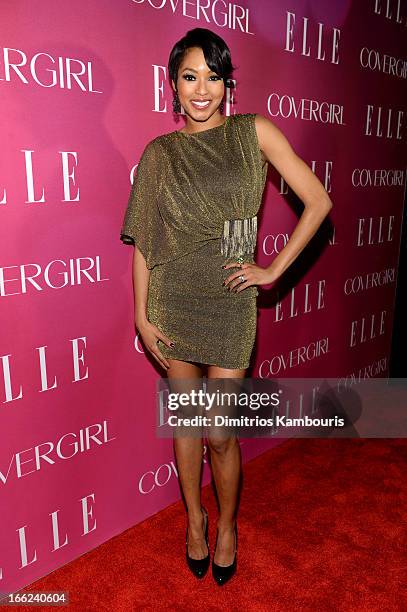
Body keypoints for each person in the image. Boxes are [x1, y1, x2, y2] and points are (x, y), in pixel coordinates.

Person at [120, 27, 333, 585]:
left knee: (220, 432)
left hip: (231, 302)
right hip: (172, 301)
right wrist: (143, 315)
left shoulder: (253, 133)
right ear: (173, 85)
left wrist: (271, 271)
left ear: (227, 84)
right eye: (190, 77)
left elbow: (319, 201)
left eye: (213, 77)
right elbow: (145, 242)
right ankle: (194, 519)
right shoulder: (160, 154)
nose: (202, 89)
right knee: (187, 426)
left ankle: (229, 524)